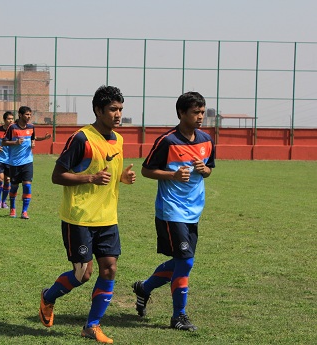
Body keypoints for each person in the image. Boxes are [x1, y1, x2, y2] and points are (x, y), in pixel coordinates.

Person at [39, 86, 136, 344]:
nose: (118, 114)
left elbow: (109, 174)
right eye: (113, 109)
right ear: (98, 110)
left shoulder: (119, 139)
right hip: (79, 218)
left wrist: (122, 178)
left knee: (110, 269)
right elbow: (57, 176)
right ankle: (48, 297)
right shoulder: (81, 138)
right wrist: (90, 178)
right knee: (83, 275)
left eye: (121, 109)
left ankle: (92, 326)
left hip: (108, 218)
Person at [132, 91, 215, 332]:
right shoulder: (168, 141)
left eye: (202, 112)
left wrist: (204, 170)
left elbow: (209, 169)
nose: (200, 117)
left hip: (194, 210)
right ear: (181, 113)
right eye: (195, 112)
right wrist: (173, 175)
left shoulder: (206, 139)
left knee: (182, 262)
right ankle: (179, 316)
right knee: (185, 261)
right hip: (171, 210)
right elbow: (147, 170)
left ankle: (144, 288)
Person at [2, 106, 51, 219]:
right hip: (14, 162)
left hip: (28, 161)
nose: (28, 117)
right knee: (14, 187)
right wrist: (15, 143)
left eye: (30, 114)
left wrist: (40, 140)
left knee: (27, 186)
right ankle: (13, 208)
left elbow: (32, 138)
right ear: (20, 114)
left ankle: (24, 211)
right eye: (26, 114)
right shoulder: (12, 127)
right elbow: (4, 142)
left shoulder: (31, 127)